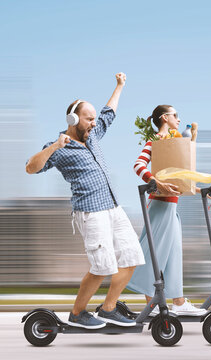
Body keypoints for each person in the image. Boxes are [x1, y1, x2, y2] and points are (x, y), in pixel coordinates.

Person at [25, 73, 145, 328]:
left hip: (114, 207)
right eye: (88, 119)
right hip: (91, 212)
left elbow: (108, 113)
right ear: (73, 119)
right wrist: (54, 147)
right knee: (102, 267)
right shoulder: (60, 146)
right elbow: (31, 168)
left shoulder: (92, 135)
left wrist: (119, 86)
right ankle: (78, 313)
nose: (93, 123)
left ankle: (109, 308)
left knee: (133, 257)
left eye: (92, 119)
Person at [126, 105, 206, 316]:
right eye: (175, 115)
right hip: (160, 205)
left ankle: (178, 303)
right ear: (164, 118)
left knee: (173, 255)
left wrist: (198, 189)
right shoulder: (155, 141)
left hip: (171, 205)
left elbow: (179, 177)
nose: (178, 119)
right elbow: (138, 165)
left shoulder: (173, 142)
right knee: (155, 254)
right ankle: (151, 305)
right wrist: (155, 181)